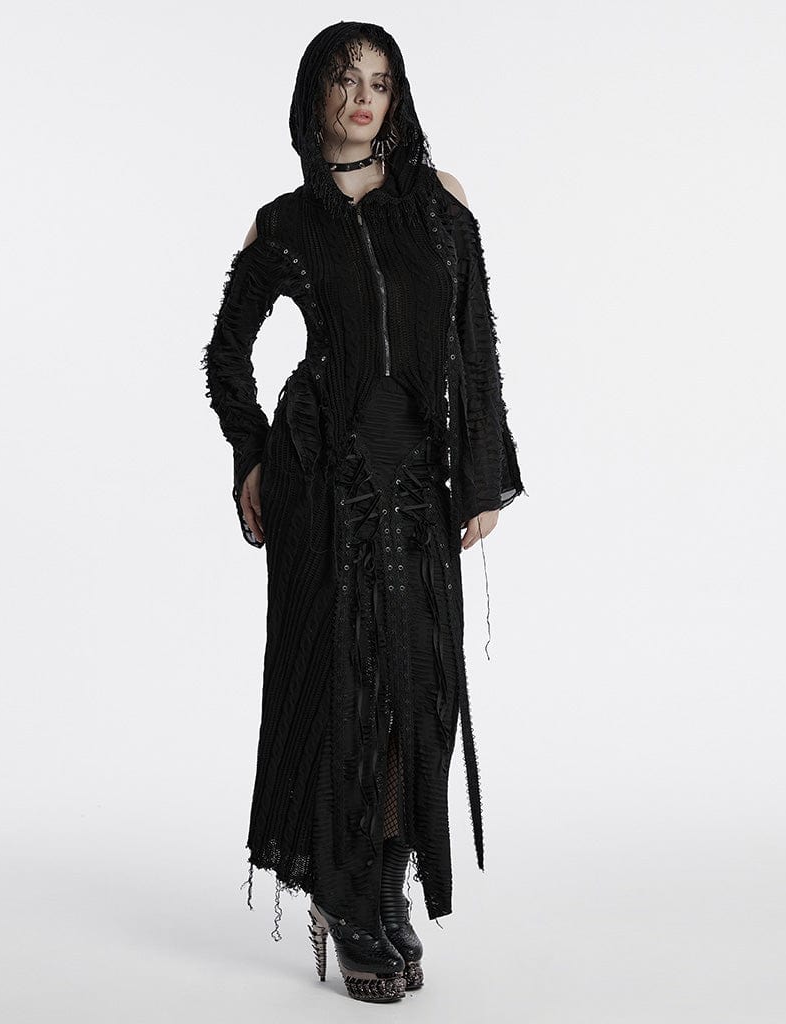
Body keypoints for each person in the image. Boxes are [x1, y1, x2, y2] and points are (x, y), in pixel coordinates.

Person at [202, 21, 525, 1002]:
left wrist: (480, 473)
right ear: (315, 95)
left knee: (414, 686)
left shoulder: (438, 202)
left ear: (397, 98)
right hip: (321, 480)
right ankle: (346, 897)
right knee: (341, 683)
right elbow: (226, 355)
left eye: (378, 82)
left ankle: (385, 877)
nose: (361, 98)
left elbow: (474, 343)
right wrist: (254, 452)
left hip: (416, 479)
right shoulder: (282, 224)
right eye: (344, 81)